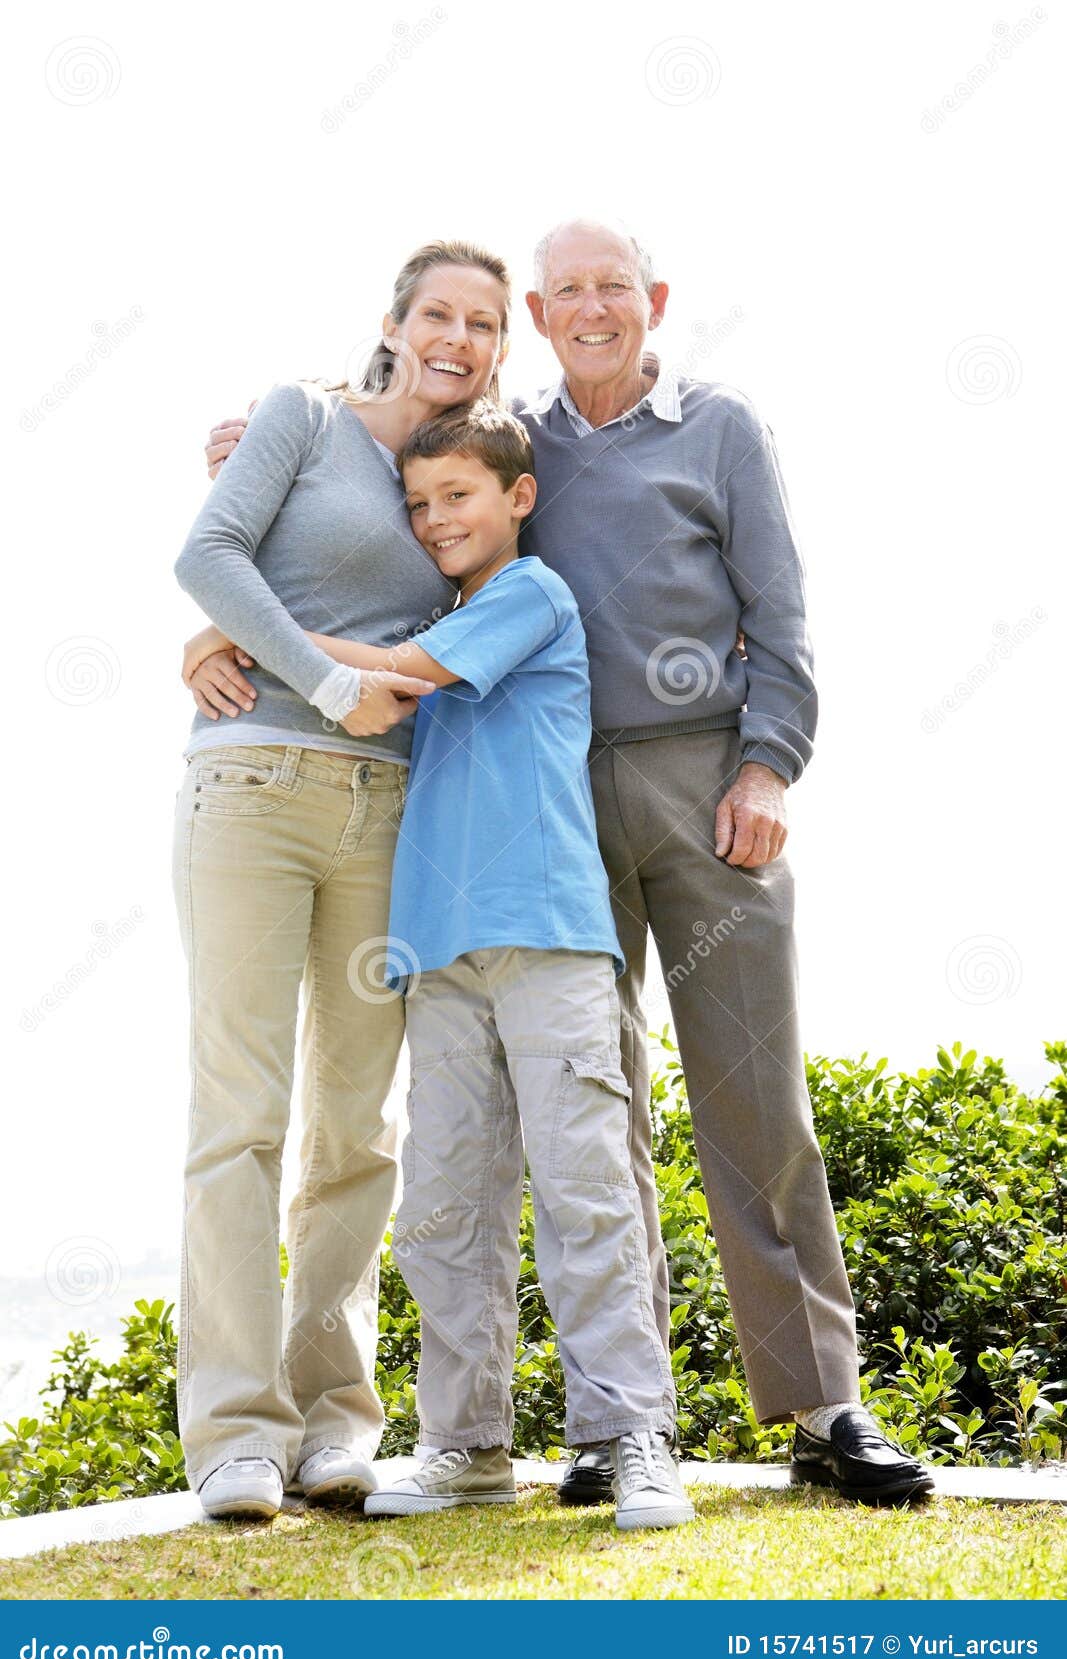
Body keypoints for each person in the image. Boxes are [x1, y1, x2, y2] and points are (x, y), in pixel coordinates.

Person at [191, 218, 933, 1509]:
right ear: (539, 314)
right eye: (563, 294)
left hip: (701, 778)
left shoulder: (719, 426)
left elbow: (781, 608)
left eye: (611, 289)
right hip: (538, 798)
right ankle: (610, 1427)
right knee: (597, 1115)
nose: (587, 310)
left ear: (651, 300)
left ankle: (820, 1405)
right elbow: (380, 505)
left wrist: (767, 763)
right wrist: (221, 613)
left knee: (750, 1093)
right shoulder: (501, 437)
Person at [184, 400, 694, 1533]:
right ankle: (466, 1443)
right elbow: (355, 661)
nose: (432, 519)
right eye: (415, 503)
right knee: (444, 1208)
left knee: (582, 1186)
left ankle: (631, 1435)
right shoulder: (441, 606)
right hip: (436, 948)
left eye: (456, 495)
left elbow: (399, 671)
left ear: (517, 498)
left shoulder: (528, 596)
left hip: (547, 932)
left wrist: (233, 634)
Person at [171, 239, 512, 1521]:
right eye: (438, 312)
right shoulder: (299, 417)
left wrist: (269, 635)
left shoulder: (465, 475)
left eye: (484, 321)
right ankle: (237, 1435)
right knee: (239, 1117)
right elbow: (210, 558)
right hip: (251, 787)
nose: (458, 335)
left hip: (392, 813)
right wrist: (318, 679)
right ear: (394, 321)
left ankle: (331, 1423)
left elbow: (485, 624)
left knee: (355, 1127)